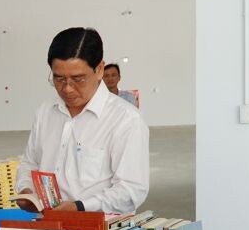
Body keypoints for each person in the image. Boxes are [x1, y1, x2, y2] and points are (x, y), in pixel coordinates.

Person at [15, 27, 149, 215]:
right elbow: (30, 163)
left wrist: (79, 207)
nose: (67, 89)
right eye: (59, 79)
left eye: (78, 79)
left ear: (99, 69)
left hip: (98, 228)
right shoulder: (45, 112)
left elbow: (131, 190)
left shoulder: (125, 119)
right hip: (48, 224)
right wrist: (26, 190)